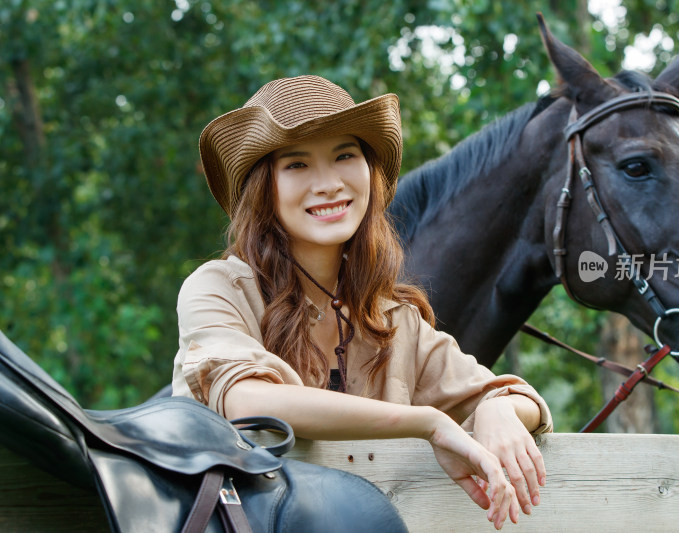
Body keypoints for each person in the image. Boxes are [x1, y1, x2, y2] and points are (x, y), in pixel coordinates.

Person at [172, 75, 553, 530]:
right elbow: (244, 400)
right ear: (263, 186)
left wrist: (495, 408)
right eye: (297, 164)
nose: (329, 183)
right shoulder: (220, 288)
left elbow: (521, 399)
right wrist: (426, 422)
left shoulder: (393, 320)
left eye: (345, 156)